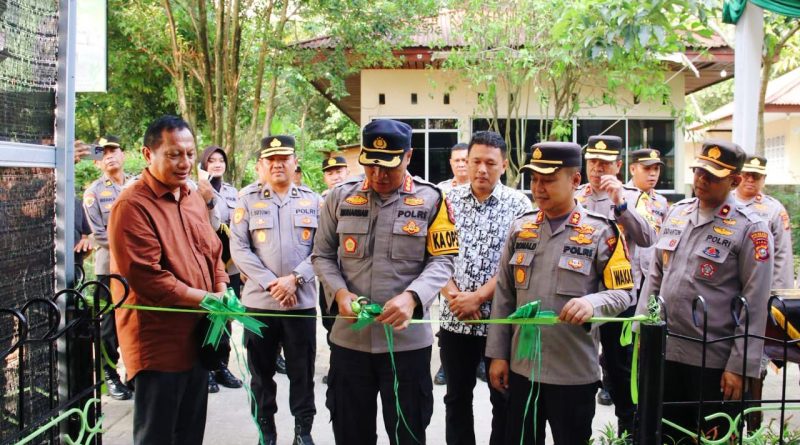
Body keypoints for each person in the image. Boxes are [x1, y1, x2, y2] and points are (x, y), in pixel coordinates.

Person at [312, 119, 458, 444]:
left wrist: (412, 297)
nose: (378, 175)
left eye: (388, 166)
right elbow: (321, 255)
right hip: (351, 342)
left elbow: (443, 259)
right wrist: (339, 293)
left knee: (407, 434)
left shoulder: (432, 200)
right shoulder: (340, 198)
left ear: (408, 156)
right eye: (371, 165)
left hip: (406, 346)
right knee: (351, 433)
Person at [487, 141, 634, 444]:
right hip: (522, 368)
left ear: (575, 180)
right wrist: (498, 355)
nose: (539, 188)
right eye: (535, 180)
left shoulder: (602, 232)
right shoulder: (521, 228)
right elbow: (504, 296)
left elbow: (623, 293)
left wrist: (593, 303)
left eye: (549, 180)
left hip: (573, 371)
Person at [636, 140, 773, 442]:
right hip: (665, 351)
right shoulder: (678, 213)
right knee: (668, 435)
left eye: (712, 175)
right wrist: (640, 329)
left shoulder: (751, 228)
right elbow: (656, 275)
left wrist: (739, 367)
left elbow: (756, 302)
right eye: (699, 171)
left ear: (734, 180)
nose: (701, 179)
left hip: (713, 361)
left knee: (713, 437)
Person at [108, 115, 228, 445]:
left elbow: (214, 252)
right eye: (174, 154)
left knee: (190, 435)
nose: (185, 163)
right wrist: (207, 299)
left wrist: (221, 290)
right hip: (158, 345)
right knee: (158, 436)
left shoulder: (191, 196)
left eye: (190, 154)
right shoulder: (132, 205)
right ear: (148, 154)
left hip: (199, 339)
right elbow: (148, 279)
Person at [438, 131, 531, 445]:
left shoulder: (520, 204)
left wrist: (477, 297)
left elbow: (520, 263)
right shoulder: (446, 200)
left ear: (503, 165)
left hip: (499, 323)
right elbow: (434, 255)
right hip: (455, 320)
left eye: (490, 163)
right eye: (474, 161)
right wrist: (454, 296)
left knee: (503, 398)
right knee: (456, 398)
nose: (481, 169)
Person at [230, 135, 320, 445]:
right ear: (260, 165)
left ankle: (302, 431)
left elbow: (323, 249)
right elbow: (239, 249)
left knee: (302, 373)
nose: (278, 164)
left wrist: (294, 279)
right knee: (261, 373)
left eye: (284, 158)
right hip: (260, 305)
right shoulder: (246, 199)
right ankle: (265, 431)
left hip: (301, 304)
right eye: (271, 159)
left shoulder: (314, 200)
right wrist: (273, 282)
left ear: (296, 163)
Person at [575, 135, 656, 436]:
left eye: (605, 163)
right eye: (593, 162)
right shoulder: (576, 196)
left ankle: (628, 430)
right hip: (581, 296)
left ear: (619, 166)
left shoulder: (634, 197)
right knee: (582, 367)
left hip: (619, 298)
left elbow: (649, 238)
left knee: (620, 371)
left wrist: (620, 204)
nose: (598, 169)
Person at [83, 135, 134, 401]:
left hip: (138, 267)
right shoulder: (93, 193)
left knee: (136, 319)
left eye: (114, 151)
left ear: (124, 155)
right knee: (110, 324)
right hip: (110, 268)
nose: (110, 156)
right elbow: (98, 235)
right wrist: (132, 248)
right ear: (98, 163)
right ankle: (110, 375)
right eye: (103, 154)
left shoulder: (138, 185)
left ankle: (134, 373)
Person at [197, 145, 244, 392]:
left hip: (230, 262)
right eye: (211, 160)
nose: (216, 164)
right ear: (203, 164)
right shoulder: (194, 190)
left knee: (226, 315)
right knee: (208, 315)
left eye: (220, 160)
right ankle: (206, 369)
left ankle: (221, 365)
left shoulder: (233, 192)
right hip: (205, 262)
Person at [434, 141, 469, 385]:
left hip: (476, 273)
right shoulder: (440, 192)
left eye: (465, 160)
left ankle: (475, 362)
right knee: (447, 320)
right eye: (456, 160)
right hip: (446, 269)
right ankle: (446, 366)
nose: (461, 164)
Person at [733, 155, 794, 290]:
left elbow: (782, 255)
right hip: (726, 284)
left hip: (759, 285)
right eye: (746, 174)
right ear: (738, 176)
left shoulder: (774, 209)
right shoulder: (723, 202)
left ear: (763, 179)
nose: (750, 179)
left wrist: (779, 295)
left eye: (756, 176)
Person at [319, 155, 351, 385]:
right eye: (330, 173)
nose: (336, 175)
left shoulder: (356, 197)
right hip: (329, 276)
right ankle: (336, 365)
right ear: (324, 177)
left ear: (347, 172)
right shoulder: (315, 201)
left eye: (340, 171)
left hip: (351, 274)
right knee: (330, 321)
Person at [626, 149, 669, 291]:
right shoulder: (619, 196)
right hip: (625, 273)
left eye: (656, 169)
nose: (652, 174)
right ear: (633, 169)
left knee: (650, 312)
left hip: (651, 274)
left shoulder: (661, 202)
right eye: (646, 168)